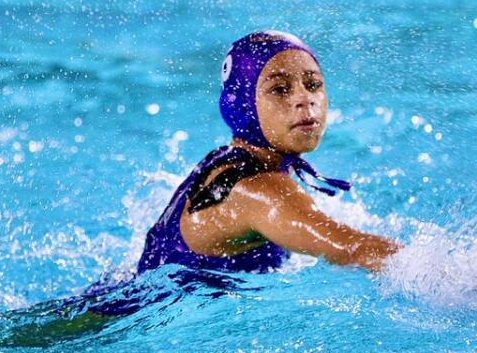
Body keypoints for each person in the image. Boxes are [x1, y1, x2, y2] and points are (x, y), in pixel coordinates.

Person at [135, 30, 400, 274]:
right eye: (280, 89)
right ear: (242, 106)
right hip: (133, 322)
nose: (304, 99)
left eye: (313, 84)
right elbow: (349, 248)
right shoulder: (260, 191)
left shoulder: (230, 162)